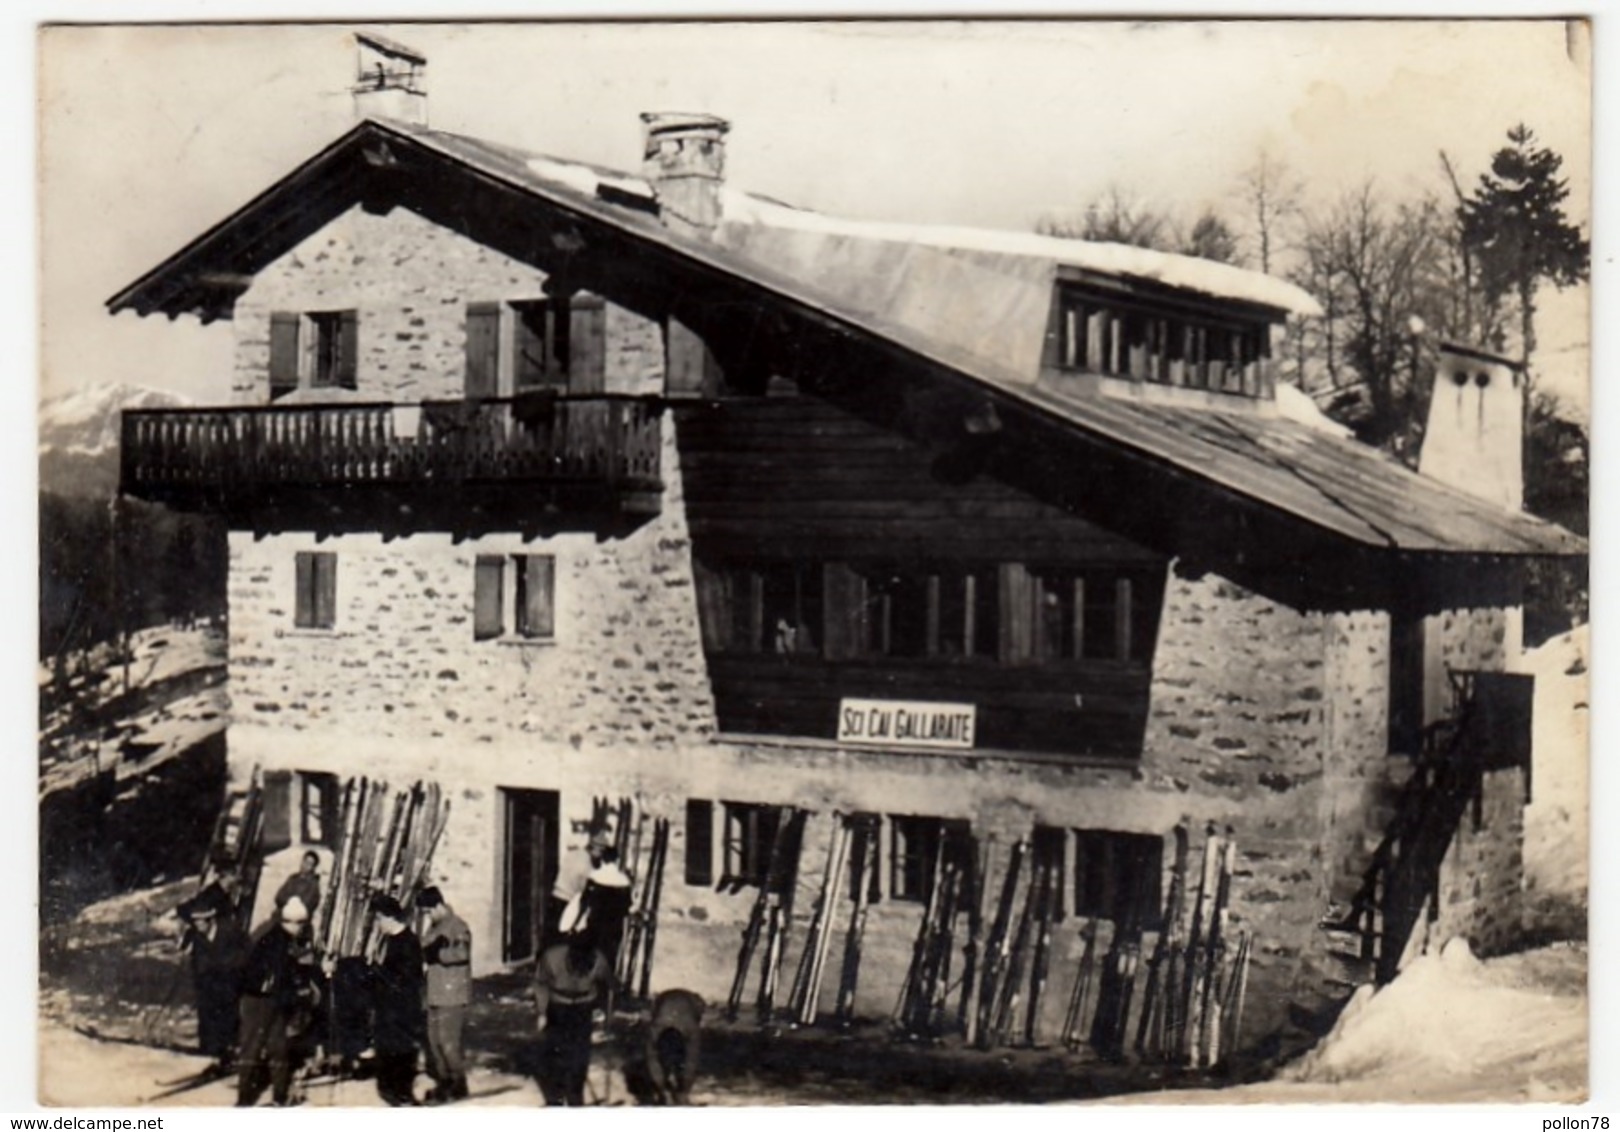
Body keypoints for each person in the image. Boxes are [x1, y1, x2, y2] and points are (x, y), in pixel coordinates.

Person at [235, 896, 319, 1107]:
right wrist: (300, 991)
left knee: (278, 1047)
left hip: (271, 1000)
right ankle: (246, 1097)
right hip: (260, 1000)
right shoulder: (277, 942)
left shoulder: (279, 938)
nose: (303, 929)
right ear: (293, 922)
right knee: (255, 1046)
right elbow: (280, 976)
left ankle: (278, 1095)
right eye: (301, 924)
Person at [532, 931, 615, 1106]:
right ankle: (555, 1096)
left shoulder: (598, 960)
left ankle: (575, 1096)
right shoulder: (552, 957)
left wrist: (602, 1011)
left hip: (583, 1008)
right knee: (556, 1053)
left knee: (580, 1055)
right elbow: (540, 983)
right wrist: (542, 1012)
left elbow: (608, 984)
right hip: (558, 1007)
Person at [176, 885, 248, 1074]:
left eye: (201, 922)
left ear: (210, 919)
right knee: (209, 1018)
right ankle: (213, 1054)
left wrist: (229, 964)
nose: (197, 925)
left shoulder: (230, 930)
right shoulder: (198, 937)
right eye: (195, 922)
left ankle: (231, 1051)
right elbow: (197, 963)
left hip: (231, 981)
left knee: (229, 1017)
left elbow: (246, 951)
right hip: (209, 984)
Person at [415, 886, 471, 1104]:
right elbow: (423, 948)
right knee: (434, 1041)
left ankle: (457, 1083)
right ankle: (444, 1081)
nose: (428, 916)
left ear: (439, 906)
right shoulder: (434, 927)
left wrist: (438, 954)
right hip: (434, 993)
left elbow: (462, 952)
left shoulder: (458, 926)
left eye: (429, 911)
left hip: (452, 994)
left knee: (449, 1043)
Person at [369, 894, 425, 1107]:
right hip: (387, 1008)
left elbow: (410, 978)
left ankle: (402, 1093)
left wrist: (381, 973)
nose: (377, 924)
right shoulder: (390, 940)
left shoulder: (409, 942)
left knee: (401, 1050)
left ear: (389, 918)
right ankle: (389, 1089)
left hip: (402, 1010)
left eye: (378, 919)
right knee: (386, 1047)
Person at [643, 989, 704, 1106]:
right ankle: (668, 1086)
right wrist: (661, 1088)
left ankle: (676, 1087)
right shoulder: (654, 1030)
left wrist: (684, 1090)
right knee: (661, 1059)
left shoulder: (691, 1030)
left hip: (689, 1004)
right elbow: (652, 1060)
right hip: (663, 1001)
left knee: (684, 1061)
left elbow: (691, 1061)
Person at [274, 851, 323, 920]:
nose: (305, 865)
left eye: (309, 864)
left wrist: (291, 904)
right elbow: (279, 897)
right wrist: (288, 902)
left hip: (298, 922)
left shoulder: (313, 884)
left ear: (313, 867)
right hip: (282, 916)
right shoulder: (292, 878)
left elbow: (306, 904)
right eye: (305, 861)